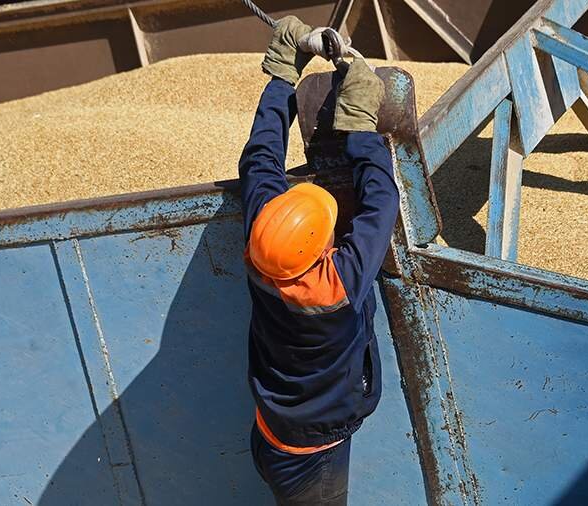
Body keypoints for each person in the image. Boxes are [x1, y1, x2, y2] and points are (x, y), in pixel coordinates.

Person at [237, 15, 400, 506]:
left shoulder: (262, 246)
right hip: (312, 459)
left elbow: (260, 158)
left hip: (269, 434)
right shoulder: (337, 285)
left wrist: (284, 68)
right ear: (318, 248)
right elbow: (383, 202)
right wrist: (358, 124)